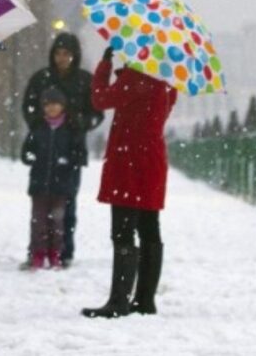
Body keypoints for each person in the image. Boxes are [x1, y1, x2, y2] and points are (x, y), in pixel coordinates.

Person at [81, 46, 178, 319]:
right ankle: (145, 300)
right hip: (152, 161)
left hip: (130, 162)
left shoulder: (136, 78)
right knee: (149, 228)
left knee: (123, 230)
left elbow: (99, 99)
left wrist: (104, 65)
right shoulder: (167, 83)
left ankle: (118, 300)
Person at [22, 32, 103, 265]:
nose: (62, 58)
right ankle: (37, 250)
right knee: (39, 208)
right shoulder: (41, 79)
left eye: (67, 54)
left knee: (67, 204)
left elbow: (96, 113)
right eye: (58, 53)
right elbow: (28, 107)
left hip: (72, 151)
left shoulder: (84, 81)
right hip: (44, 151)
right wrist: (39, 124)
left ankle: (63, 251)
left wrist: (79, 124)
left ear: (74, 55)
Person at [20, 87, 79, 270]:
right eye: (48, 105)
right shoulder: (38, 127)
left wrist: (68, 162)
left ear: (63, 107)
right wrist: (31, 158)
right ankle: (37, 254)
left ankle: (55, 254)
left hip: (61, 186)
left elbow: (78, 154)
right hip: (39, 184)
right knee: (38, 222)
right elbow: (26, 151)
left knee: (58, 222)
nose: (52, 108)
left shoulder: (71, 128)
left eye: (56, 104)